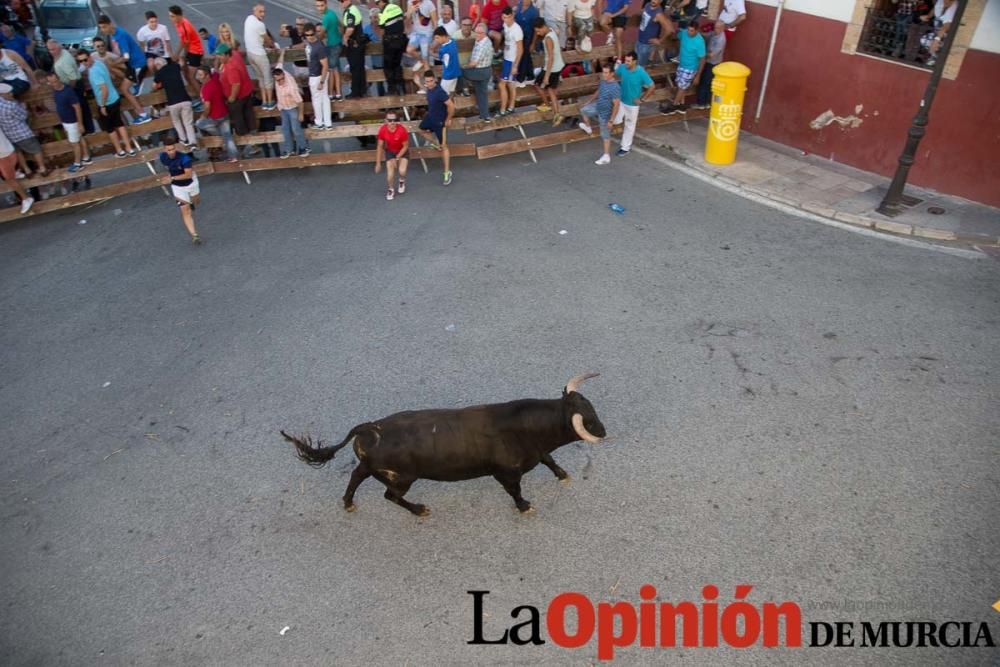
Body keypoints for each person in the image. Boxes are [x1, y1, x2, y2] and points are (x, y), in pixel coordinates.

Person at [81, 51, 136, 158]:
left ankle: (120, 150)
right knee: (119, 124)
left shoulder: (93, 72)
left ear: (90, 58)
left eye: (85, 60)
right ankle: (129, 148)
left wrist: (102, 105)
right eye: (81, 61)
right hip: (115, 97)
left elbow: (104, 89)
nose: (84, 62)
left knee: (110, 129)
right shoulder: (99, 63)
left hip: (106, 102)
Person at [92, 36, 152, 124]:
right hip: (109, 89)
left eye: (102, 45)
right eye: (98, 46)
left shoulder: (111, 56)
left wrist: (112, 69)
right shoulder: (93, 57)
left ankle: (142, 130)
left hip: (119, 84)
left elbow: (125, 67)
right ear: (94, 47)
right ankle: (132, 133)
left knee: (129, 107)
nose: (101, 48)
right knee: (118, 113)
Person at [47, 39, 101, 131]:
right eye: (49, 49)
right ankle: (89, 131)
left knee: (82, 111)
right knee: (83, 110)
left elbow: (73, 78)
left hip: (74, 86)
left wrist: (69, 90)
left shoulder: (63, 61)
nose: (51, 52)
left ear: (59, 47)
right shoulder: (62, 53)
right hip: (75, 85)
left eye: (53, 49)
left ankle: (89, 132)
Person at [44, 71, 92, 172]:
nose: (55, 84)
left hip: (72, 122)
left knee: (74, 143)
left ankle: (78, 163)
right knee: (79, 138)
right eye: (52, 82)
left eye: (56, 81)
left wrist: (80, 123)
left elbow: (77, 107)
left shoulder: (68, 91)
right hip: (66, 121)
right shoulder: (55, 91)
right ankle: (86, 157)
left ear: (59, 78)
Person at [159, 133, 202, 244]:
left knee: (196, 201)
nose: (171, 152)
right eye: (168, 150)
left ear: (176, 147)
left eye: (173, 149)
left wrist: (172, 177)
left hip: (191, 183)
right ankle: (194, 235)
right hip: (178, 187)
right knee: (185, 211)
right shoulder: (162, 157)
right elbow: (168, 167)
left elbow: (188, 175)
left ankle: (192, 202)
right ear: (164, 149)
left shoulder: (184, 158)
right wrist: (171, 178)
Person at [214, 43, 258, 148]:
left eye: (220, 55)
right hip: (247, 91)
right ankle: (253, 131)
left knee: (238, 118)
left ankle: (245, 138)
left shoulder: (231, 68)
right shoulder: (235, 55)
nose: (218, 57)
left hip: (238, 97)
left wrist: (232, 97)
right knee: (248, 113)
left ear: (227, 55)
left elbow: (236, 84)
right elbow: (238, 52)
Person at [577, 59, 620, 165]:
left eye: (606, 73)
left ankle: (606, 156)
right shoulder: (603, 81)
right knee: (583, 109)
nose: (604, 74)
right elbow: (598, 92)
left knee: (605, 135)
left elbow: (616, 105)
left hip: (605, 114)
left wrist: (611, 120)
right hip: (597, 106)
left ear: (612, 73)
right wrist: (588, 101)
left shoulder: (615, 87)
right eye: (603, 72)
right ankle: (588, 127)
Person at [612, 50, 653, 156]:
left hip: (633, 105)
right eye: (626, 60)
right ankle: (618, 129)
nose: (626, 63)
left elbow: (652, 87)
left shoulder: (641, 72)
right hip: (621, 101)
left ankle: (625, 148)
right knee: (615, 121)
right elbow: (615, 76)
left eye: (629, 61)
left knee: (629, 126)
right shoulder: (622, 67)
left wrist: (642, 99)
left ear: (635, 61)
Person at [194, 66, 239, 162]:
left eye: (200, 75)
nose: (198, 77)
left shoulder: (206, 89)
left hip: (215, 117)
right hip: (224, 113)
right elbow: (215, 71)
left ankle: (218, 134)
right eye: (198, 74)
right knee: (228, 136)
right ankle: (233, 156)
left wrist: (204, 116)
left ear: (206, 76)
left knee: (199, 123)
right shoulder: (215, 79)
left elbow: (207, 106)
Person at [418, 71, 453, 186]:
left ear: (435, 80)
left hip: (439, 122)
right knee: (421, 130)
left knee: (444, 147)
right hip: (430, 118)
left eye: (431, 81)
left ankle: (447, 173)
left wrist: (448, 119)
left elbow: (451, 105)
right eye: (427, 82)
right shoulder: (429, 89)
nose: (429, 83)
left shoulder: (440, 92)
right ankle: (436, 144)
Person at [660, 20, 704, 114]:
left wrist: (698, 75)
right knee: (680, 84)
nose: (689, 32)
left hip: (691, 68)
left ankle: (674, 106)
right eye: (688, 30)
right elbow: (676, 36)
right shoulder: (684, 33)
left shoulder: (700, 42)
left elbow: (702, 59)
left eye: (692, 31)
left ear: (696, 31)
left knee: (682, 86)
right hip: (681, 64)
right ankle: (680, 105)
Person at [153, 57, 197, 148]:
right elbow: (181, 63)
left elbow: (154, 86)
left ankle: (183, 139)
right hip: (185, 100)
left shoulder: (159, 73)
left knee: (176, 121)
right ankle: (193, 142)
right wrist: (179, 57)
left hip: (173, 102)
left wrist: (159, 85)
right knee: (188, 122)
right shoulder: (175, 67)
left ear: (158, 65)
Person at [273, 51, 309, 157]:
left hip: (293, 108)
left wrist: (301, 114)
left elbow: (300, 101)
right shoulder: (279, 72)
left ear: (284, 75)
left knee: (296, 129)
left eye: (281, 79)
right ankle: (289, 150)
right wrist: (282, 53)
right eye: (277, 80)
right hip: (283, 108)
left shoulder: (291, 87)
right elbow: (280, 62)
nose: (280, 82)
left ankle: (303, 148)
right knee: (285, 130)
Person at [241, 4, 275, 109]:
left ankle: (264, 101)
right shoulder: (260, 25)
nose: (263, 14)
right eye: (260, 11)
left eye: (264, 12)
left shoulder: (248, 19)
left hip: (250, 53)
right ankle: (270, 102)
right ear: (254, 11)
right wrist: (272, 46)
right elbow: (267, 40)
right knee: (267, 78)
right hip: (259, 54)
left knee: (260, 78)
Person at [532, 18, 564, 126]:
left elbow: (550, 58)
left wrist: (546, 76)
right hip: (558, 67)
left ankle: (547, 104)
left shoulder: (547, 39)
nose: (538, 33)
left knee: (537, 85)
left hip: (551, 68)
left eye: (538, 31)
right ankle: (557, 114)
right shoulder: (552, 31)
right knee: (551, 91)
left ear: (543, 27)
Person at [301, 24, 332, 128]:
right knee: (323, 98)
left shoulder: (319, 47)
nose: (310, 36)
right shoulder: (310, 43)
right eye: (307, 35)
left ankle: (319, 122)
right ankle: (327, 123)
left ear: (315, 33)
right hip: (315, 74)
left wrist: (322, 81)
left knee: (317, 100)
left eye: (311, 34)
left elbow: (325, 65)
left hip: (317, 76)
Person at [463, 23, 494, 120]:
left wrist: (464, 66)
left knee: (460, 72)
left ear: (484, 33)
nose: (477, 34)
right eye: (476, 32)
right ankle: (485, 116)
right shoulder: (482, 40)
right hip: (485, 71)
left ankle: (464, 90)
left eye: (479, 33)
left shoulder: (483, 44)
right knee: (481, 93)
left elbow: (474, 63)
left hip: (480, 71)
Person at [375, 0, 407, 96]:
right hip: (401, 40)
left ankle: (392, 88)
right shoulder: (397, 7)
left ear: (382, 2)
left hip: (390, 42)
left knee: (388, 66)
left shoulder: (382, 13)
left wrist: (382, 41)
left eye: (377, 3)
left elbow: (382, 31)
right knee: (397, 64)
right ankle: (401, 88)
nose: (378, 5)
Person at [375, 110, 409, 200]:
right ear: (385, 120)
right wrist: (378, 163)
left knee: (402, 171)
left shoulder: (402, 130)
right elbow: (379, 146)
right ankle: (391, 189)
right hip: (390, 152)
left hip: (402, 151)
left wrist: (397, 158)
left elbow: (406, 146)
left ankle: (401, 180)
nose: (392, 122)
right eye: (390, 120)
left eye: (395, 120)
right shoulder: (383, 130)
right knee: (390, 174)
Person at [0, 124, 32, 213]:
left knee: (9, 179)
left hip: (3, 154)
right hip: (7, 150)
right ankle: (16, 171)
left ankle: (26, 198)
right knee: (9, 177)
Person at [315, 0, 343, 101]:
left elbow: (322, 33)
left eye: (321, 5)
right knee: (335, 69)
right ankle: (337, 93)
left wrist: (316, 42)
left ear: (326, 4)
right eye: (318, 6)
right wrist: (341, 37)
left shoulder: (326, 17)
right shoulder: (332, 13)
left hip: (332, 45)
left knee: (332, 69)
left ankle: (333, 94)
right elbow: (341, 25)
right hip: (337, 43)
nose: (320, 8)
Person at [497, 7, 522, 116]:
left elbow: (520, 49)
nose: (505, 20)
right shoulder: (505, 25)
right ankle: (511, 107)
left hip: (512, 60)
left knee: (502, 84)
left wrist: (515, 65)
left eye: (507, 17)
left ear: (512, 16)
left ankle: (503, 109)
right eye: (504, 17)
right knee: (511, 84)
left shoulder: (517, 30)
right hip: (506, 58)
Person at [695, 19, 724, 109]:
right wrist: (698, 33)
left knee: (705, 82)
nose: (716, 30)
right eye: (715, 27)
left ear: (722, 28)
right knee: (707, 83)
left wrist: (700, 55)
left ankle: (701, 103)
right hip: (709, 63)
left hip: (712, 64)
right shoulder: (714, 33)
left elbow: (711, 55)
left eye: (718, 28)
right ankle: (705, 103)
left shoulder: (721, 40)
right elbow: (707, 35)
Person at [341, 0, 367, 98]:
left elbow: (350, 28)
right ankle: (362, 90)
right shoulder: (354, 9)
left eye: (342, 1)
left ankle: (355, 92)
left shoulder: (350, 12)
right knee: (360, 68)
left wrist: (345, 37)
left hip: (354, 44)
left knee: (355, 68)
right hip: (359, 44)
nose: (341, 3)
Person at [919, 0, 957, 66]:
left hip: (945, 34)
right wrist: (928, 16)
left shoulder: (953, 7)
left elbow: (946, 27)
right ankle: (934, 56)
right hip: (936, 30)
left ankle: (935, 58)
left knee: (937, 44)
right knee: (924, 40)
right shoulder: (940, 1)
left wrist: (936, 40)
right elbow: (935, 8)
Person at [406, 0, 437, 78]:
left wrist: (435, 36)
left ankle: (429, 84)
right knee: (409, 50)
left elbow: (435, 21)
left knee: (426, 62)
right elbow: (408, 20)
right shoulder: (410, 2)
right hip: (416, 32)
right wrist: (410, 12)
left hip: (427, 34)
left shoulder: (429, 3)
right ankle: (421, 61)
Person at [635, 0, 672, 67]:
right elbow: (642, 12)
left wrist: (659, 41)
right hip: (639, 41)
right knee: (635, 65)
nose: (653, 0)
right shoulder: (648, 5)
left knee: (639, 68)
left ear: (660, 1)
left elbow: (669, 30)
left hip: (646, 45)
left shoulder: (658, 14)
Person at [514, 0, 538, 86]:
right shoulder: (519, 5)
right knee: (526, 56)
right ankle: (531, 76)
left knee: (524, 56)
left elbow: (536, 30)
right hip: (518, 36)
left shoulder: (534, 12)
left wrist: (533, 43)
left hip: (528, 37)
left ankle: (521, 78)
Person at [433, 27, 460, 94]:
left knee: (443, 95)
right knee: (451, 93)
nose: (436, 40)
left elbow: (439, 57)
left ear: (443, 36)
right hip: (456, 73)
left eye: (437, 38)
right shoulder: (453, 41)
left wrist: (431, 53)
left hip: (448, 75)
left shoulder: (443, 50)